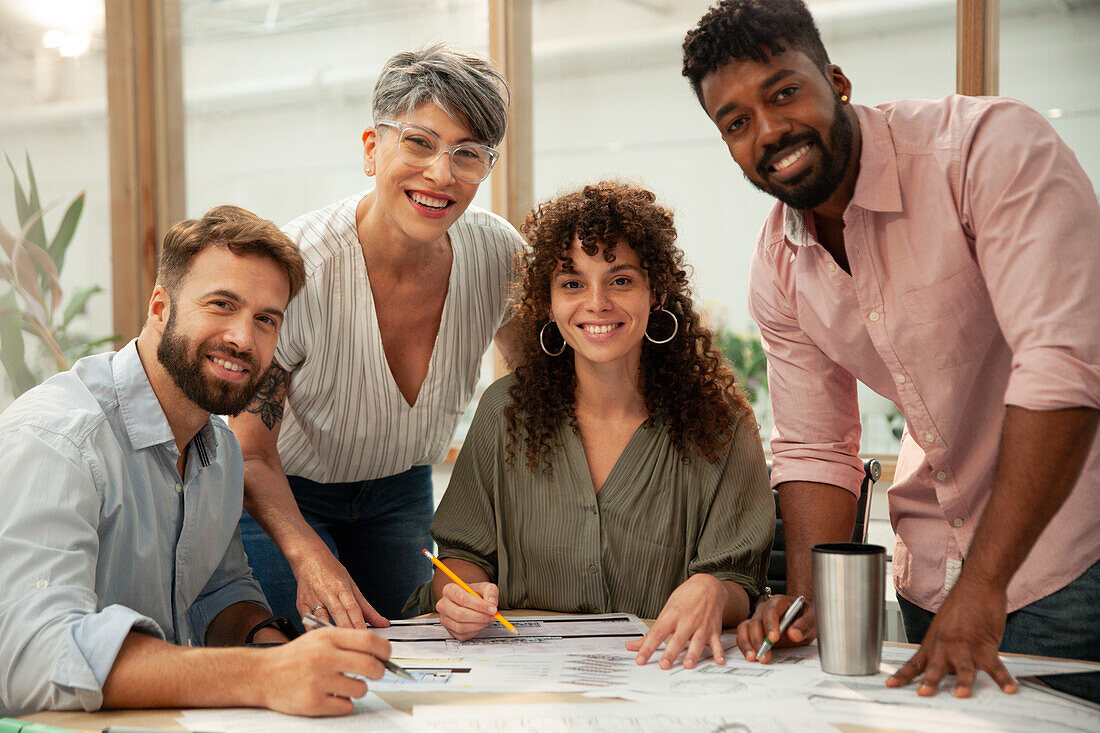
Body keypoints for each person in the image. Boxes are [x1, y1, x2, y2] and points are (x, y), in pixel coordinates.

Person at [681, 0, 1100, 701]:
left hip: (1067, 560)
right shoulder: (778, 261)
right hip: (930, 573)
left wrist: (987, 584)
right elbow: (815, 443)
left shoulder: (987, 150)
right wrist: (811, 594)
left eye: (784, 91)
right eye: (737, 122)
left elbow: (1065, 366)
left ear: (836, 80)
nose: (770, 130)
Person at [0, 206, 396, 717]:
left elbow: (217, 592)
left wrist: (283, 650)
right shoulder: (58, 439)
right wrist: (266, 676)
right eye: (221, 304)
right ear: (160, 308)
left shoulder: (219, 449)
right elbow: (31, 657)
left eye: (265, 319)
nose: (243, 339)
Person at [408, 182, 775, 670]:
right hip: (525, 682)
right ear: (550, 301)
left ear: (656, 290)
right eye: (573, 283)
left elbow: (739, 583)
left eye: (620, 280)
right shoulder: (505, 411)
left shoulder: (721, 423)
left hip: (665, 677)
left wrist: (714, 589)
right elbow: (461, 554)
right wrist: (459, 595)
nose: (597, 303)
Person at [229, 44, 526, 630]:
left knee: (418, 648)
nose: (441, 173)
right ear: (372, 149)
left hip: (400, 489)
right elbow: (249, 451)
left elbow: (536, 393)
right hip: (281, 490)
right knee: (311, 647)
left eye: (467, 154)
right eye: (419, 142)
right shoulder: (299, 267)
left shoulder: (499, 256)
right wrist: (313, 556)